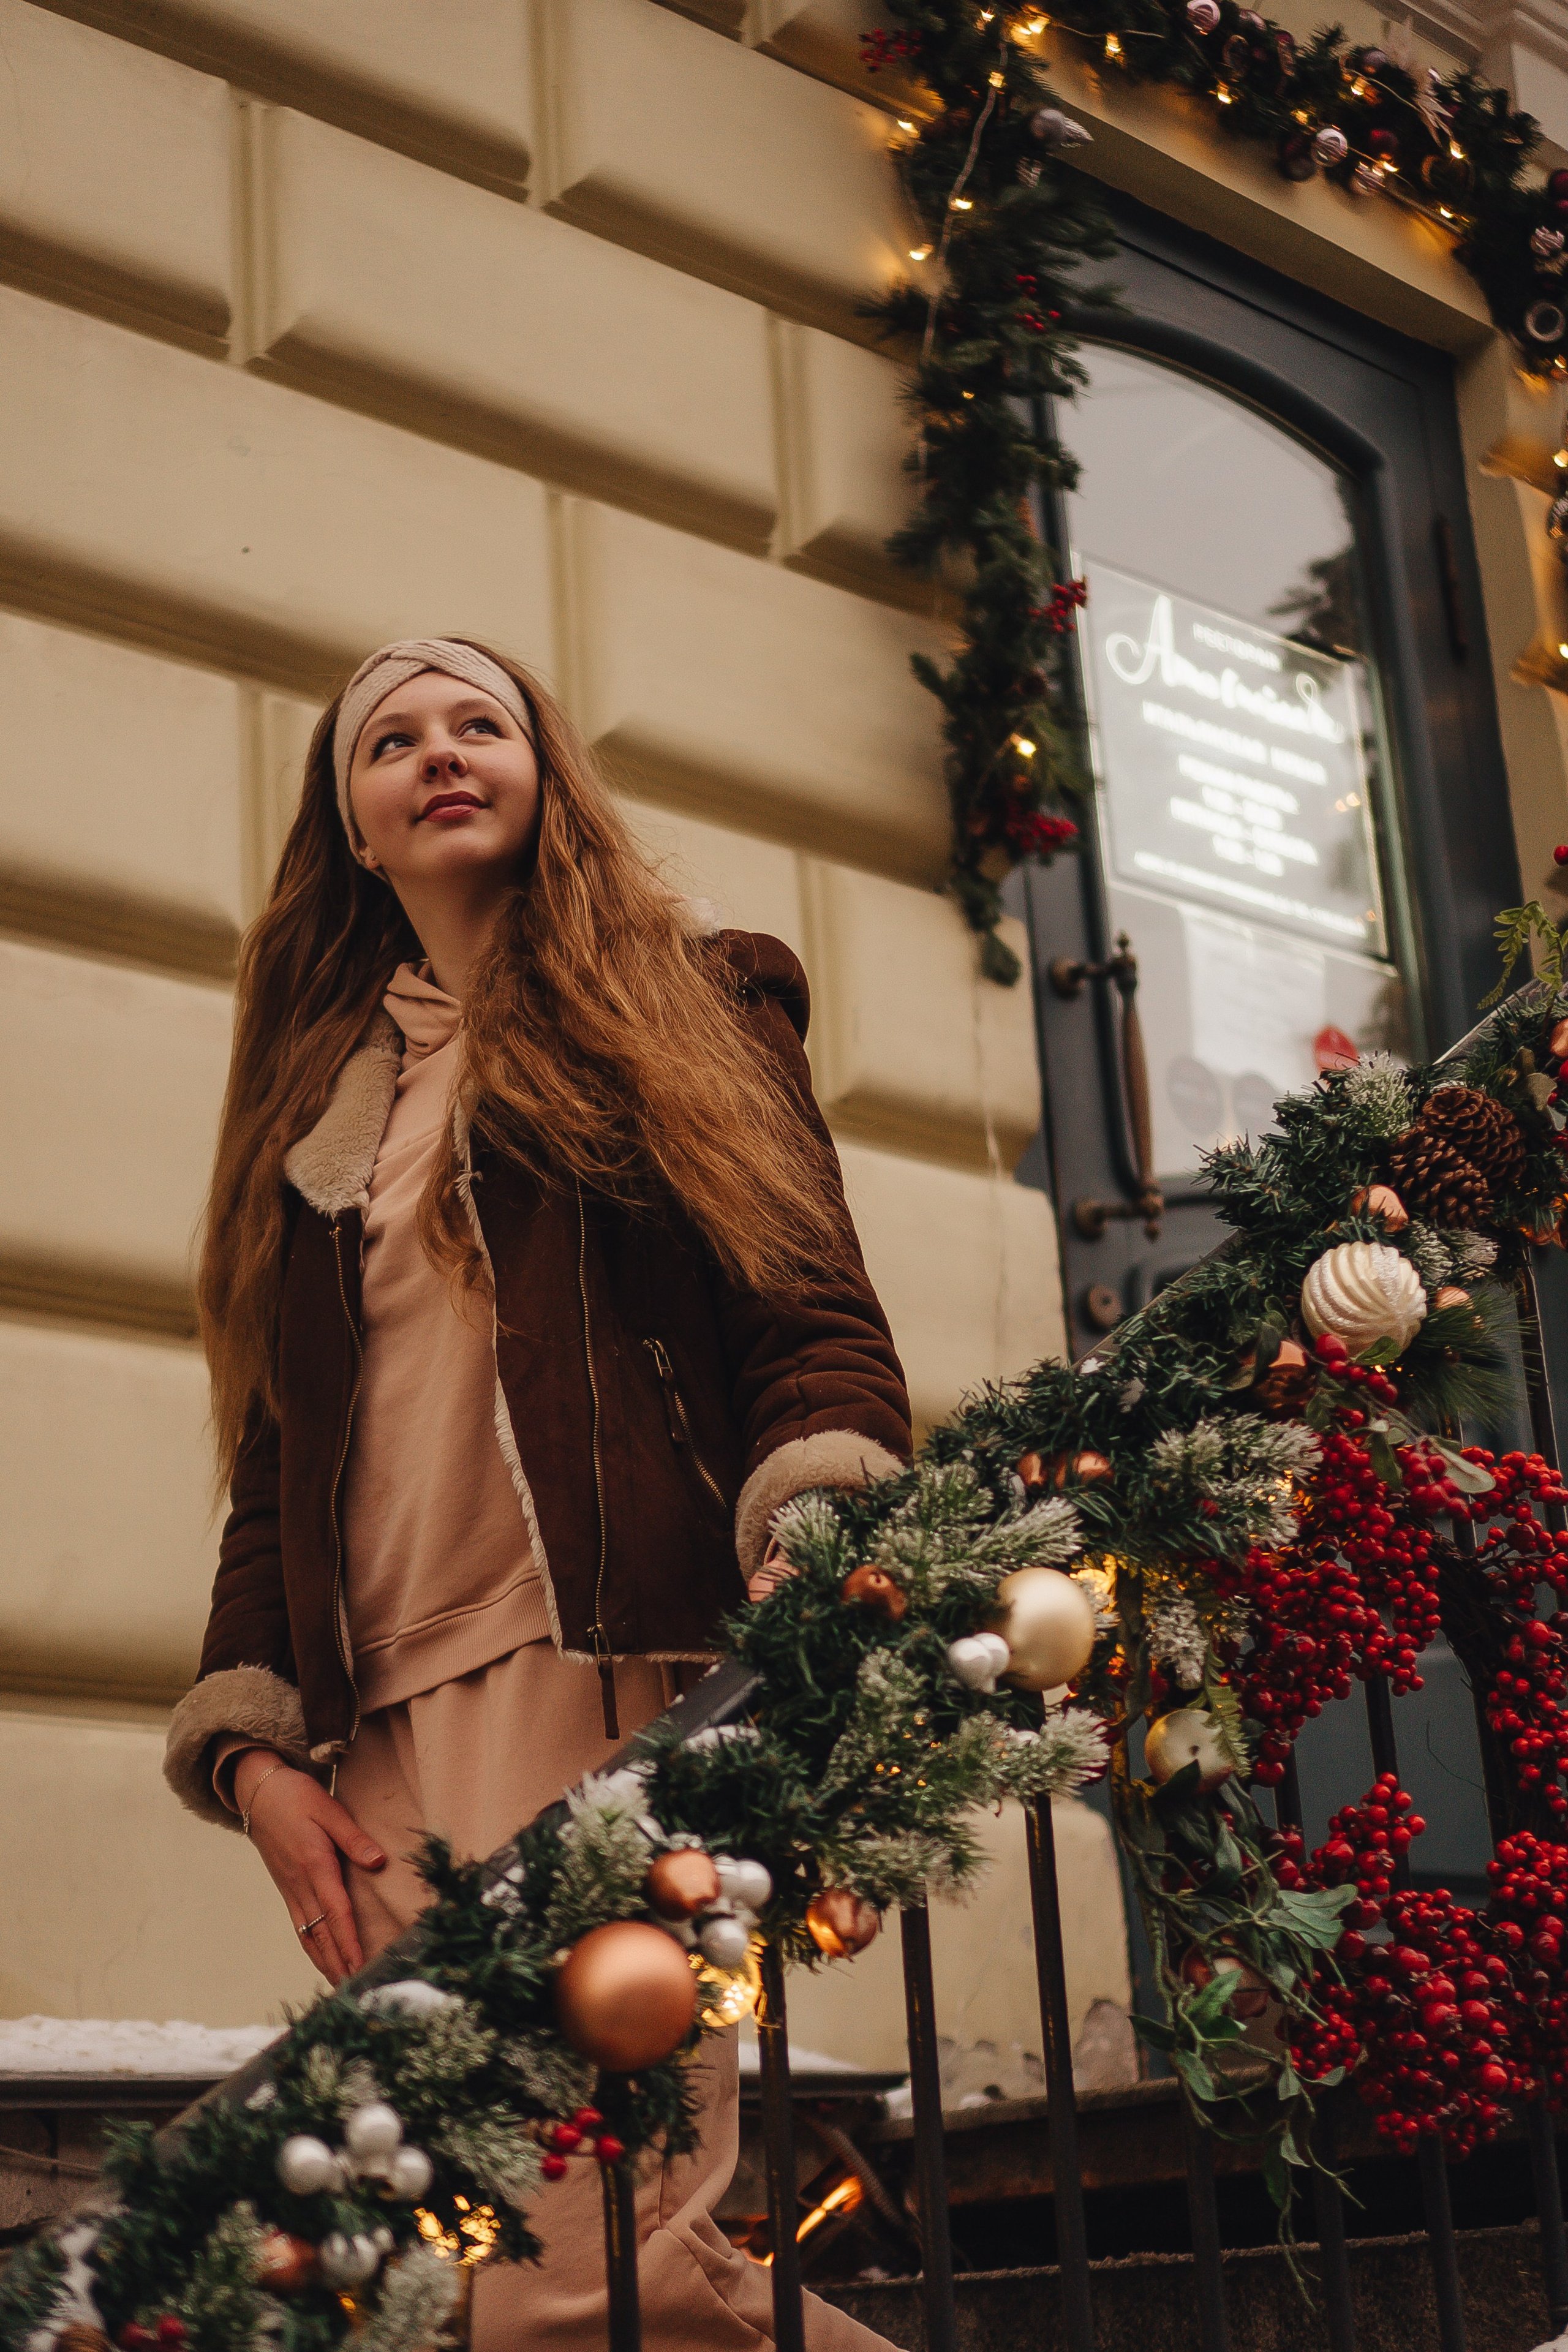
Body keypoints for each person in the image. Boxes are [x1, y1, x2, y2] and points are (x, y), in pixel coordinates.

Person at [163, 638, 912, 2349]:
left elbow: (806, 1317)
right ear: (352, 827)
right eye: (392, 742)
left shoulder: (690, 1002)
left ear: (543, 770)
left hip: (609, 1681)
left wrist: (809, 1540)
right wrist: (257, 1754)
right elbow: (275, 1471)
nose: (439, 754)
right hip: (377, 1745)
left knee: (605, 2263)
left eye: (478, 724)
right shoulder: (325, 1121)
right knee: (482, 2275)